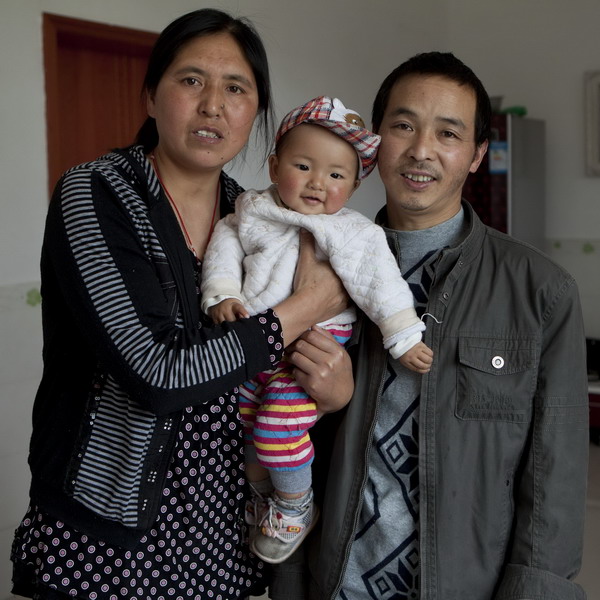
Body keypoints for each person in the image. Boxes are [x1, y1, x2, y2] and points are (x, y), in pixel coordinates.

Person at [10, 9, 353, 600]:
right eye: (191, 80)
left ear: (256, 114)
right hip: (105, 537)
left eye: (236, 88)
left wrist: (337, 387)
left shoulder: (256, 218)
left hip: (223, 532)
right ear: (150, 96)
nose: (213, 105)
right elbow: (156, 373)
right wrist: (305, 305)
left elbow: (291, 370)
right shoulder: (97, 192)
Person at [272, 52, 589, 600]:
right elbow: (277, 423)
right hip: (335, 581)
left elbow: (553, 477)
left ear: (476, 156)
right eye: (402, 126)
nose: (421, 150)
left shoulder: (541, 291)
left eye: (448, 133)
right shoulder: (309, 267)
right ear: (374, 144)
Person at [200, 95, 432, 565]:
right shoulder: (252, 210)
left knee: (276, 428)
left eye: (336, 175)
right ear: (273, 165)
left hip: (313, 347)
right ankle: (267, 495)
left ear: (353, 183)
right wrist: (222, 293)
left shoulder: (352, 232)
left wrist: (403, 334)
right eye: (303, 165)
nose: (317, 183)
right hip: (254, 343)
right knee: (242, 423)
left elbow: (378, 283)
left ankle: (294, 506)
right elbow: (223, 246)